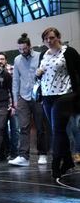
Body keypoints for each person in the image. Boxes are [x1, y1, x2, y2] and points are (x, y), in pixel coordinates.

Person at [36, 27, 80, 178]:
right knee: (58, 131)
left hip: (64, 95)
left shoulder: (69, 52)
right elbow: (41, 75)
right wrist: (38, 74)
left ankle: (55, 164)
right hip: (47, 95)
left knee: (58, 130)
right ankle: (68, 160)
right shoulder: (43, 54)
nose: (49, 41)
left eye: (52, 38)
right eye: (46, 38)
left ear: (59, 37)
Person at [9, 33, 48, 167]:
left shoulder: (40, 56)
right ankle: (23, 156)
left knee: (40, 126)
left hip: (38, 96)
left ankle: (42, 154)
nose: (22, 51)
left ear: (29, 46)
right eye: (20, 49)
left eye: (24, 49)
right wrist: (15, 100)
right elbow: (15, 81)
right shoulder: (17, 60)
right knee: (23, 127)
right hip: (23, 98)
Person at [0, 52, 19, 159]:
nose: (0, 61)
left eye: (2, 59)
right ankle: (6, 151)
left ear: (6, 60)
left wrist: (15, 104)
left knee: (15, 130)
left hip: (14, 104)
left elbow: (16, 87)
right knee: (3, 130)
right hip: (2, 105)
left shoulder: (12, 69)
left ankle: (14, 153)